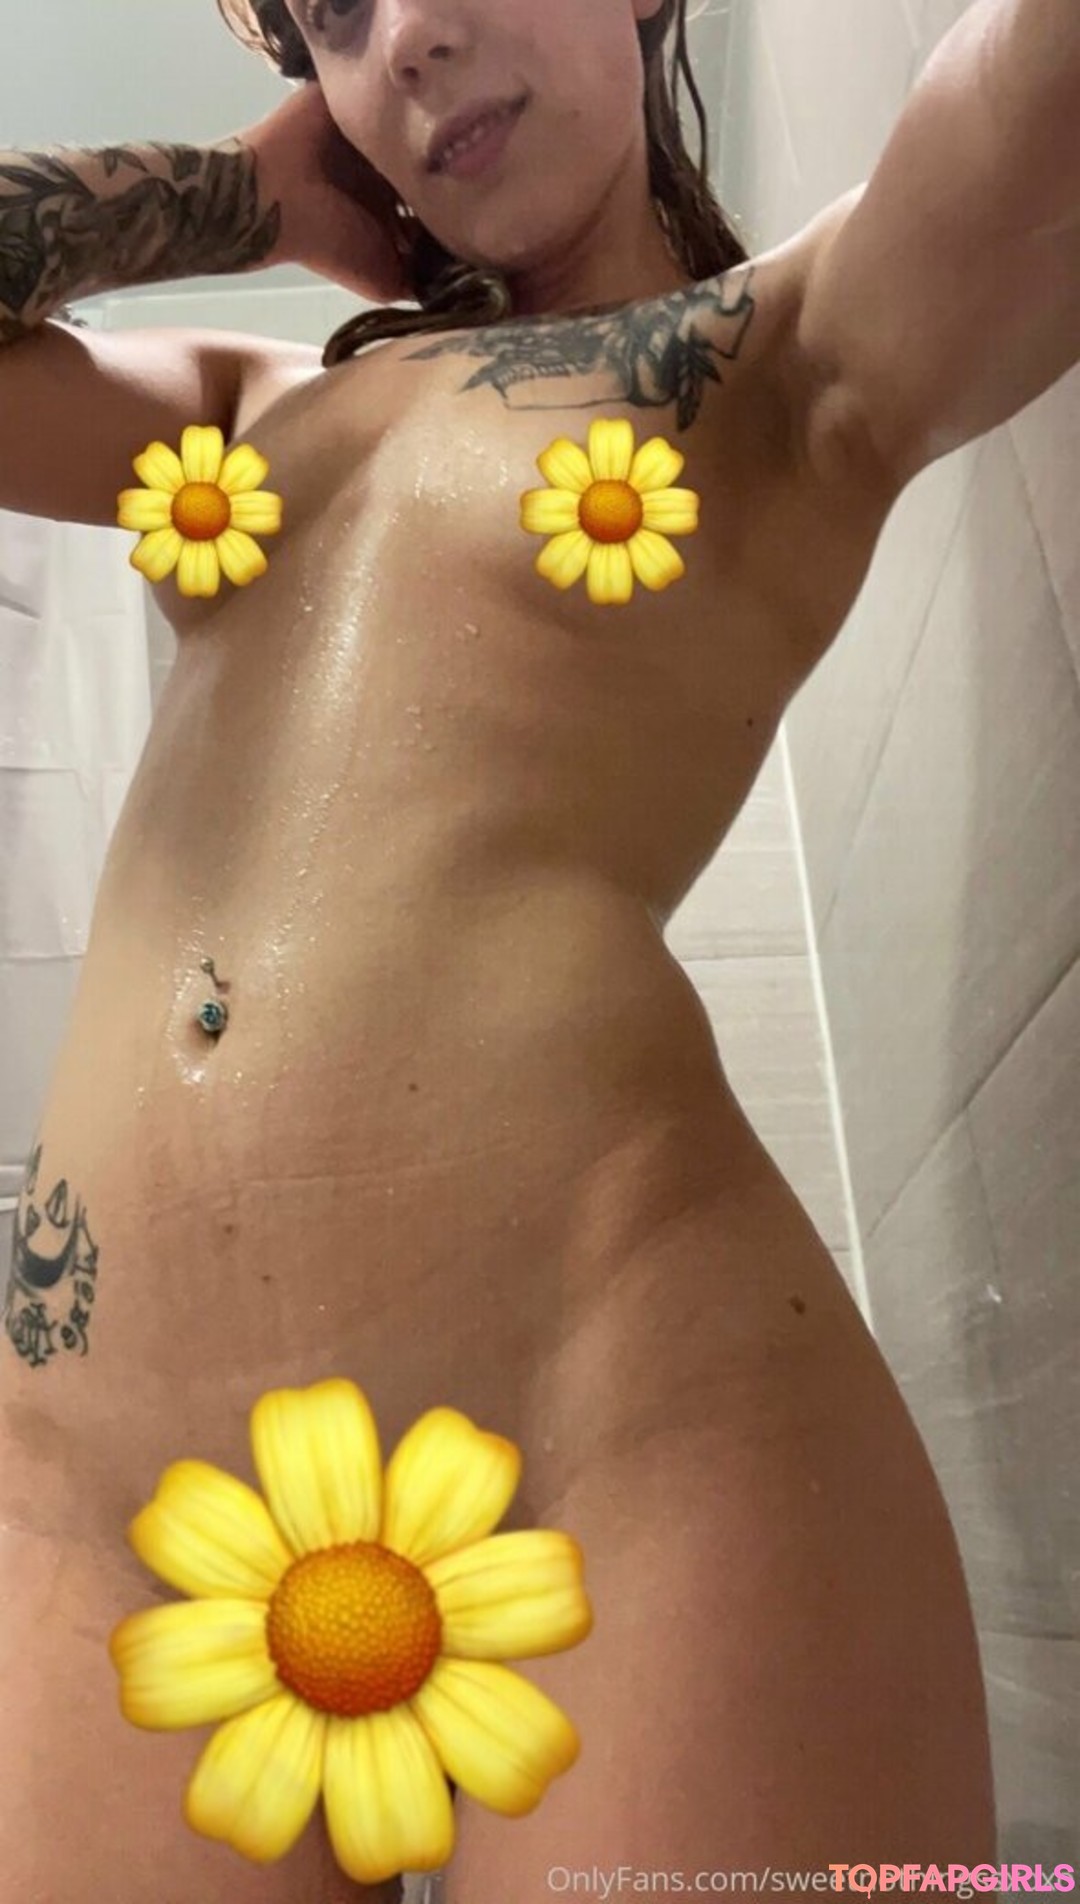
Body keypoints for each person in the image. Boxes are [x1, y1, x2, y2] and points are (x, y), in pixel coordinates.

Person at [16, 0, 1074, 1893]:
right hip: (95, 1488)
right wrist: (244, 195)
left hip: (620, 1420)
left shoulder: (786, 355)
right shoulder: (243, 415)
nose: (412, 36)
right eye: (338, 18)